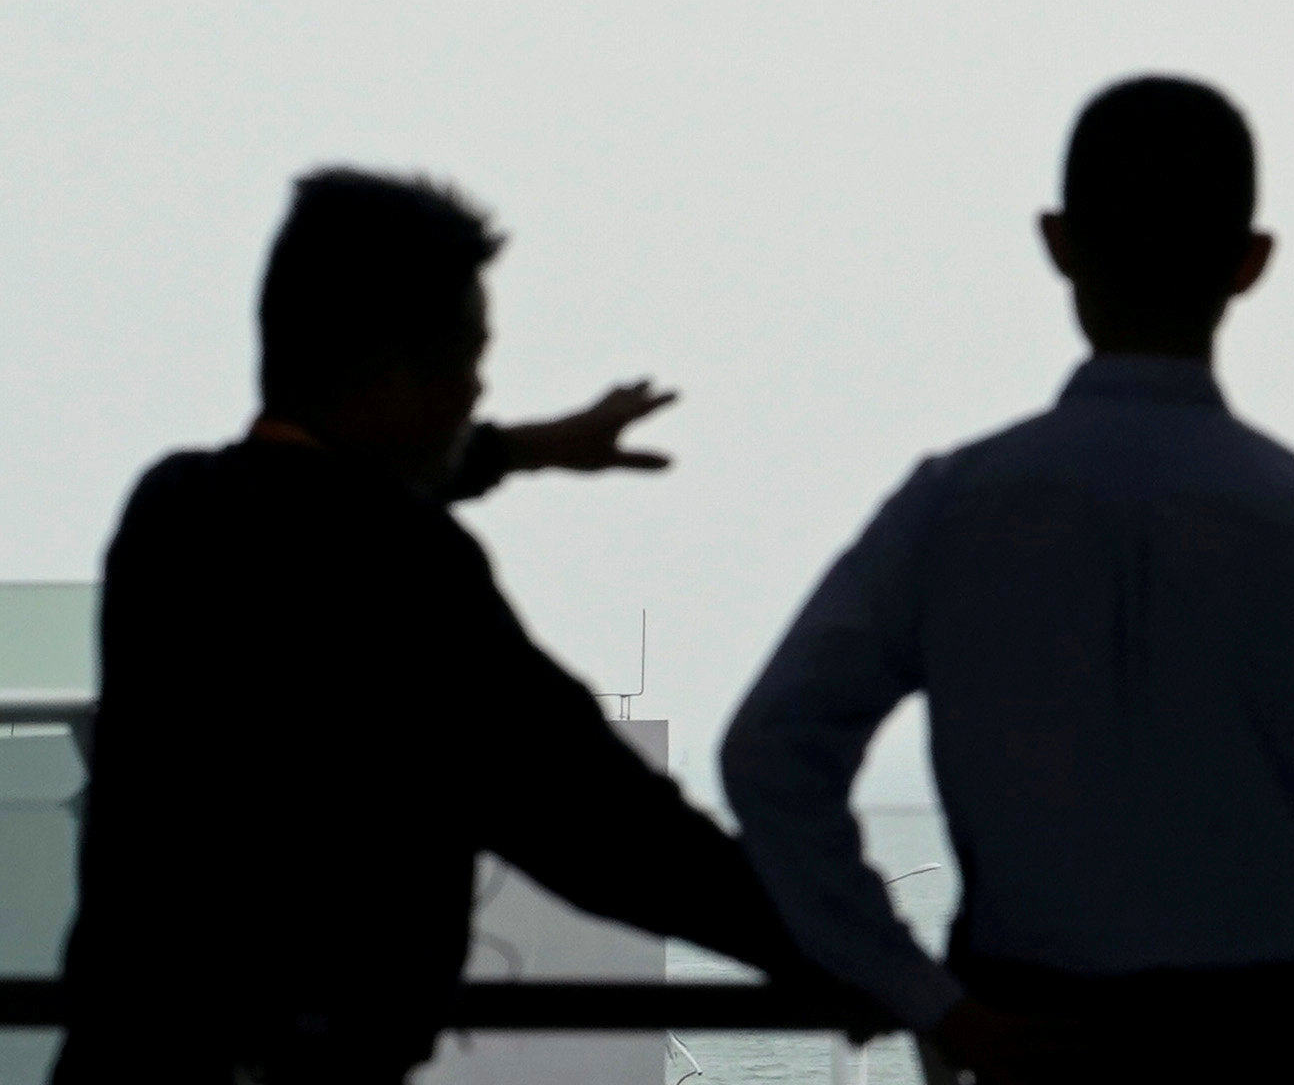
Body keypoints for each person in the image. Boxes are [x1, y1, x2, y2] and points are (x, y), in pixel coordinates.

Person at [725, 76, 1294, 1085]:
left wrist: (922, 994)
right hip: (1281, 1040)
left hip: (1029, 1040)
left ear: (1059, 243)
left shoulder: (951, 509)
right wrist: (1286, 891)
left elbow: (771, 754)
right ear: (1250, 263)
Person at [57, 168, 862, 1084]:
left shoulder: (174, 512)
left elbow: (316, 502)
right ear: (398, 368)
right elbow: (599, 822)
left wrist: (521, 450)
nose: (477, 388)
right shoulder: (408, 569)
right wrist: (837, 944)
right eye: (469, 357)